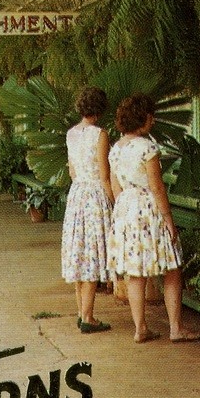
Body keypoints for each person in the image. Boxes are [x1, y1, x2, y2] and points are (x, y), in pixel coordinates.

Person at [108, 93, 200, 344]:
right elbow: (157, 187)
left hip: (126, 208)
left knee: (135, 272)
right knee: (171, 267)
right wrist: (169, 219)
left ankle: (140, 328)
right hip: (148, 208)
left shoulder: (115, 150)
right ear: (145, 118)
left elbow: (115, 186)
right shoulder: (148, 148)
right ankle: (176, 328)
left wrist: (124, 211)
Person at [61, 87, 115, 333]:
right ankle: (88, 317)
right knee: (92, 252)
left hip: (77, 194)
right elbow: (105, 174)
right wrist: (114, 201)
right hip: (94, 195)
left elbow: (72, 170)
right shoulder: (100, 135)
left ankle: (82, 311)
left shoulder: (71, 134)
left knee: (78, 252)